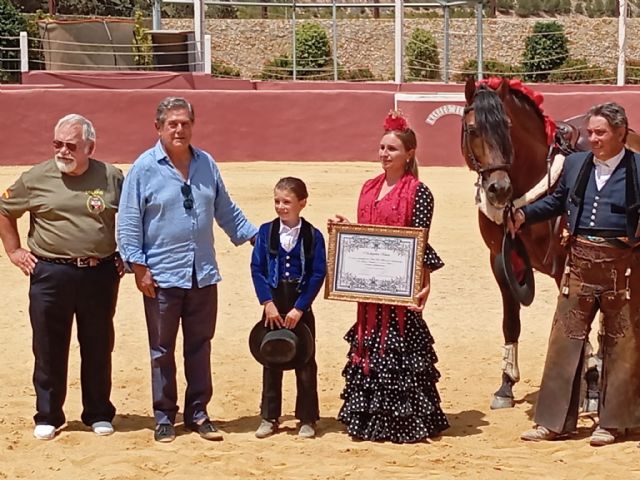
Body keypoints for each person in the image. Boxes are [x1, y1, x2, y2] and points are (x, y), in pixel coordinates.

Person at [117, 97, 258, 443]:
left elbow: (225, 209)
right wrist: (138, 266)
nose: (179, 129)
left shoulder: (206, 163)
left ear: (193, 125)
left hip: (202, 273)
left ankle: (198, 412)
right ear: (158, 128)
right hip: (161, 276)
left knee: (200, 345)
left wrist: (259, 237)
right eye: (172, 124)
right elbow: (129, 221)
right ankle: (165, 415)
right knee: (162, 349)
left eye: (185, 123)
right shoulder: (144, 168)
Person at [509, 102, 640, 446]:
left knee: (621, 344)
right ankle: (554, 422)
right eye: (591, 132)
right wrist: (524, 215)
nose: (593, 139)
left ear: (621, 132)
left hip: (623, 270)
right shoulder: (577, 164)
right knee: (564, 341)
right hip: (579, 264)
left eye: (601, 132)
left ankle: (613, 423)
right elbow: (558, 203)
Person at [0, 114, 124, 440]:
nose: (63, 151)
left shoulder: (111, 176)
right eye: (58, 144)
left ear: (90, 147)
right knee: (49, 345)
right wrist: (14, 251)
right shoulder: (35, 177)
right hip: (50, 273)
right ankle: (49, 414)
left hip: (99, 272)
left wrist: (128, 254)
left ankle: (97, 412)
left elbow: (132, 215)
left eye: (71, 145)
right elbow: (3, 210)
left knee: (98, 344)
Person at [332, 111, 449, 443]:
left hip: (400, 288)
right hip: (371, 287)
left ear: (408, 154)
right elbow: (365, 235)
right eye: (382, 147)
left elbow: (420, 239)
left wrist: (426, 281)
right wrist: (344, 230)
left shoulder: (420, 192)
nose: (384, 154)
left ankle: (405, 422)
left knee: (400, 346)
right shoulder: (368, 188)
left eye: (392, 149)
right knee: (370, 343)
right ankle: (370, 419)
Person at [249, 177, 326, 439]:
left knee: (305, 360)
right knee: (271, 356)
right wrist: (267, 303)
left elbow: (317, 273)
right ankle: (269, 416)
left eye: (287, 202)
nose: (281, 207)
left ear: (302, 203)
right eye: (277, 201)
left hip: (299, 303)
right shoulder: (265, 232)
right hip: (274, 301)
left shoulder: (313, 235)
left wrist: (300, 307)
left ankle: (307, 417)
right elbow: (257, 268)